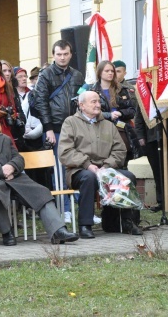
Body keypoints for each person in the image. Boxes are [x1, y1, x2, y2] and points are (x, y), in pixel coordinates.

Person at [0, 104, 79, 246]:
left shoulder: (3, 138)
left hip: (14, 178)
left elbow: (19, 158)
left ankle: (58, 231)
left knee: (41, 191)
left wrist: (12, 166)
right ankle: (6, 232)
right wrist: (1, 170)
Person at [58, 91, 143, 239]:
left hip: (106, 168)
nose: (98, 105)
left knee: (128, 176)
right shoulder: (70, 123)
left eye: (98, 101)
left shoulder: (108, 125)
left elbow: (120, 150)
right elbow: (66, 151)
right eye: (93, 102)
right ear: (82, 105)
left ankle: (123, 221)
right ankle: (85, 225)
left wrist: (106, 166)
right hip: (79, 170)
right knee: (89, 178)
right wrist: (87, 164)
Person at [33, 40, 85, 223]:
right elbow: (40, 102)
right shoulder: (46, 75)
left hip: (76, 129)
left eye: (65, 54)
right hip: (54, 129)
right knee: (59, 170)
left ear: (70, 54)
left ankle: (83, 208)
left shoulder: (77, 75)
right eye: (59, 54)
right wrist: (47, 129)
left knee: (79, 167)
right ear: (53, 55)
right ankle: (65, 210)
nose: (62, 57)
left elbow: (83, 101)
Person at [88, 60, 137, 168]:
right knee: (104, 163)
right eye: (107, 71)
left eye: (112, 71)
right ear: (100, 73)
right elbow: (89, 113)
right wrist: (109, 115)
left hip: (121, 130)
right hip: (100, 131)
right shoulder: (92, 91)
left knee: (122, 163)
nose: (110, 73)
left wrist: (120, 113)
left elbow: (132, 110)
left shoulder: (122, 89)